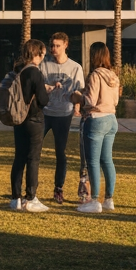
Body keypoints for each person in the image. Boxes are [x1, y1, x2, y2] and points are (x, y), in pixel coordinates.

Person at [9, 39, 57, 212]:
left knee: (19, 157)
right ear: (38, 53)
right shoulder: (35, 72)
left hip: (18, 119)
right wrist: (46, 91)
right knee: (33, 158)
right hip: (34, 119)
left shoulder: (18, 70)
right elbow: (43, 100)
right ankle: (30, 198)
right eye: (43, 53)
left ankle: (15, 198)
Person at [71, 41, 120, 213]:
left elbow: (90, 100)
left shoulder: (94, 75)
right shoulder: (113, 76)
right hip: (111, 118)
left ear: (94, 56)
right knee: (107, 160)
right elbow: (115, 101)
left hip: (96, 118)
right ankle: (109, 199)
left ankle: (94, 200)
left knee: (92, 161)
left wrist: (78, 97)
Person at [39, 32, 85, 204]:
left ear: (66, 45)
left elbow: (80, 91)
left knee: (61, 152)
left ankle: (58, 188)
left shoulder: (75, 67)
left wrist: (77, 105)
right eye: (52, 45)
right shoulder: (43, 65)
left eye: (57, 46)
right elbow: (37, 85)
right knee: (34, 149)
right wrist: (48, 86)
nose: (54, 49)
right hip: (44, 113)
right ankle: (29, 188)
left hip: (63, 114)